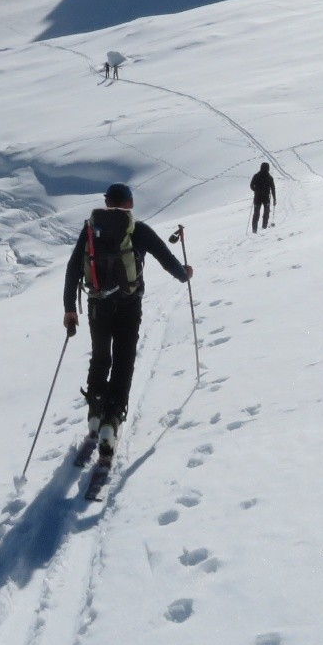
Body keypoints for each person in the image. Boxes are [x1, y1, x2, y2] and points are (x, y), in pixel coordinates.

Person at [63, 183, 193, 460]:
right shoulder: (138, 230)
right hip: (129, 305)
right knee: (124, 360)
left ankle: (95, 412)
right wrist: (184, 274)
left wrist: (69, 309)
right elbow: (166, 258)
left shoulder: (90, 229)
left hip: (97, 304)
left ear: (107, 201)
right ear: (129, 203)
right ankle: (111, 421)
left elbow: (74, 267)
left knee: (100, 356)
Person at [250, 162, 276, 232]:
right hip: (266, 197)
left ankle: (254, 230)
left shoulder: (256, 176)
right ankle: (264, 227)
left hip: (257, 197)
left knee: (256, 213)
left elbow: (251, 185)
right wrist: (274, 199)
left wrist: (256, 190)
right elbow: (273, 189)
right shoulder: (269, 177)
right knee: (266, 212)